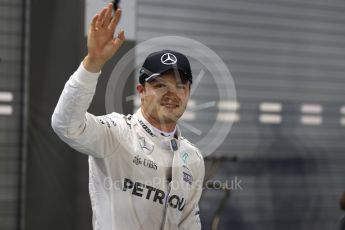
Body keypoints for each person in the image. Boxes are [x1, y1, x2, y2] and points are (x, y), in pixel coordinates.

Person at [51, 3, 204, 230]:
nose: (171, 94)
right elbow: (66, 126)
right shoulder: (117, 132)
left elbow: (189, 223)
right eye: (160, 85)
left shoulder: (193, 158)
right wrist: (93, 63)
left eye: (180, 86)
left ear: (188, 92)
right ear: (141, 92)